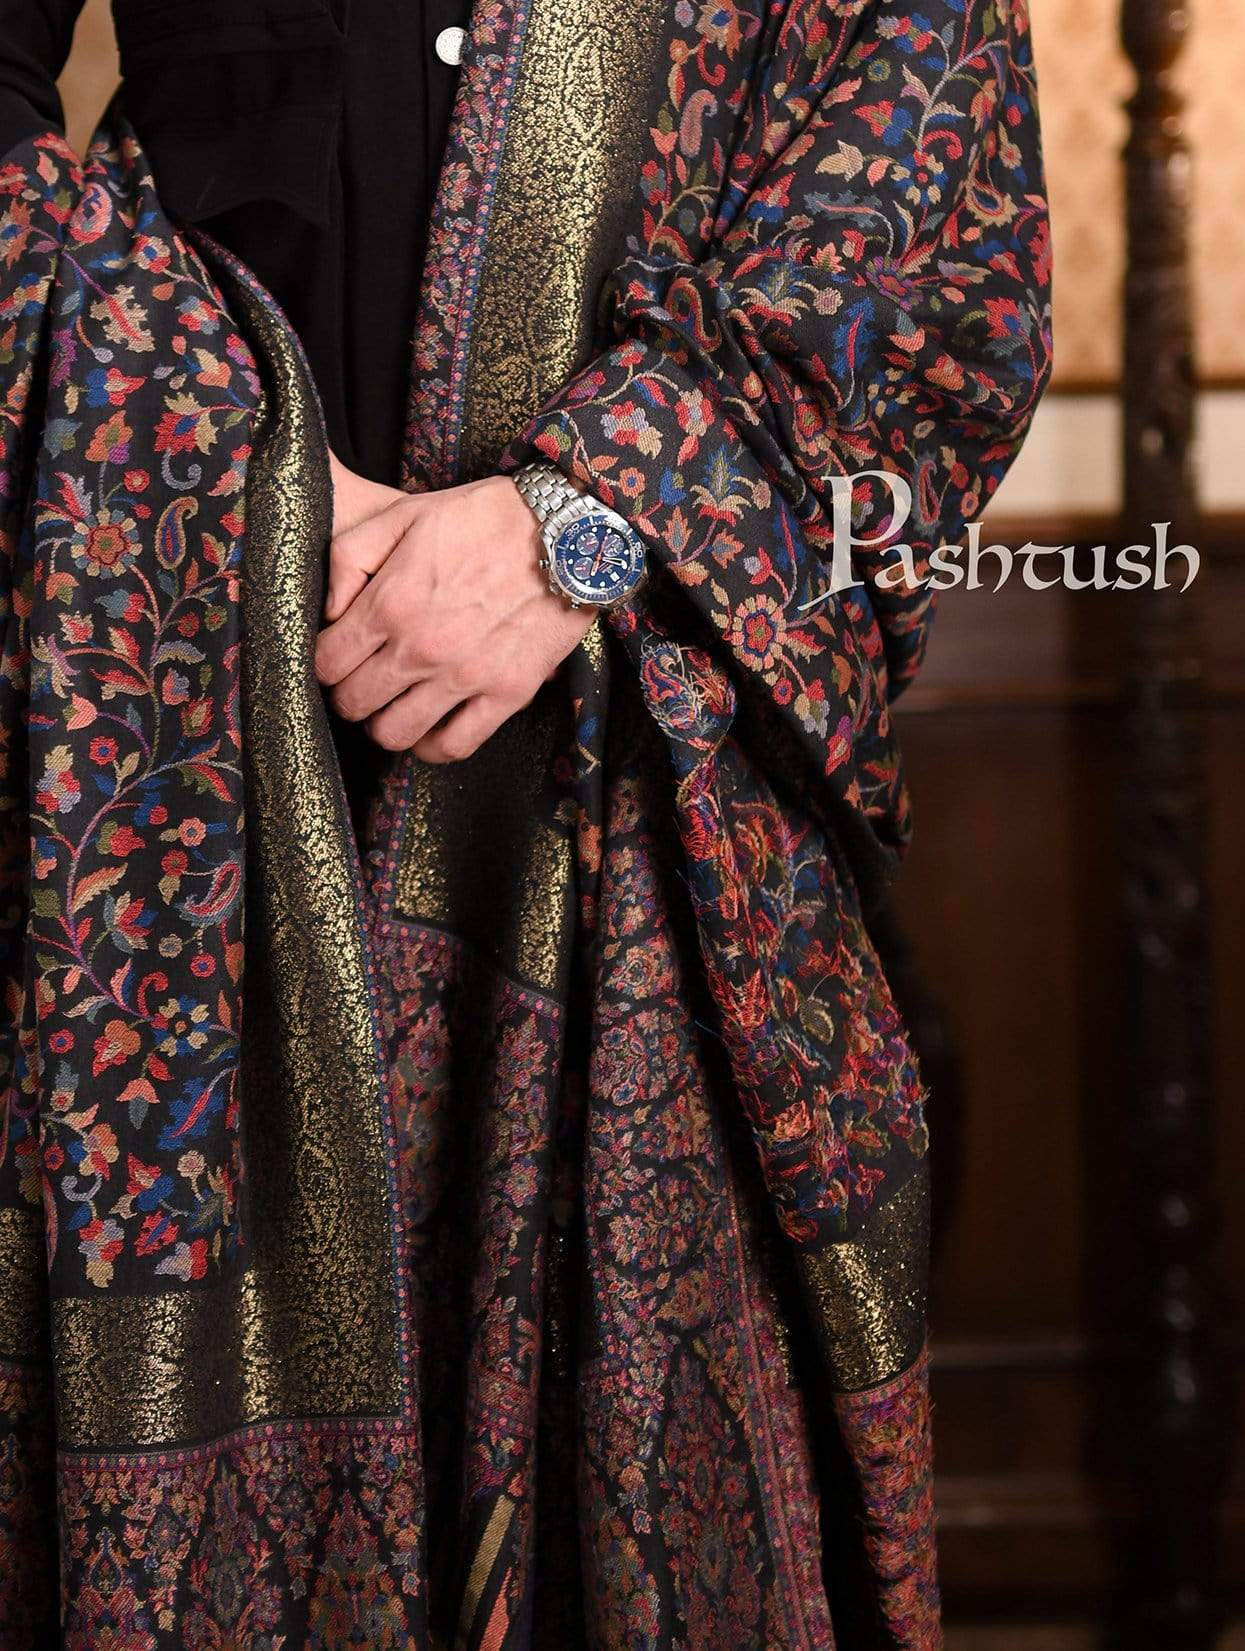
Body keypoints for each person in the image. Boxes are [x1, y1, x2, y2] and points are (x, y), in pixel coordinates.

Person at [0, 0, 1053, 1644]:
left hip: (655, 756)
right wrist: (216, 463)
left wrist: (590, 516)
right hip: (172, 723)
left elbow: (934, 181)